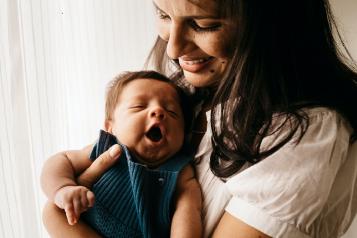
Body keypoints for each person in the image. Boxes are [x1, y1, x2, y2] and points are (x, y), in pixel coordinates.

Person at [42, 0, 357, 237]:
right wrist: (61, 196)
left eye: (204, 24)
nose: (173, 49)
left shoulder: (303, 136)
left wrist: (56, 218)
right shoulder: (187, 95)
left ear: (273, 27)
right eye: (163, 14)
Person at [41, 71, 202, 238]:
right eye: (139, 106)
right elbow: (61, 160)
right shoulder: (106, 148)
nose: (158, 111)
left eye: (172, 112)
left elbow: (188, 209)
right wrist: (63, 188)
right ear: (111, 127)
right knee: (52, 213)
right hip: (85, 223)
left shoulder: (180, 170)